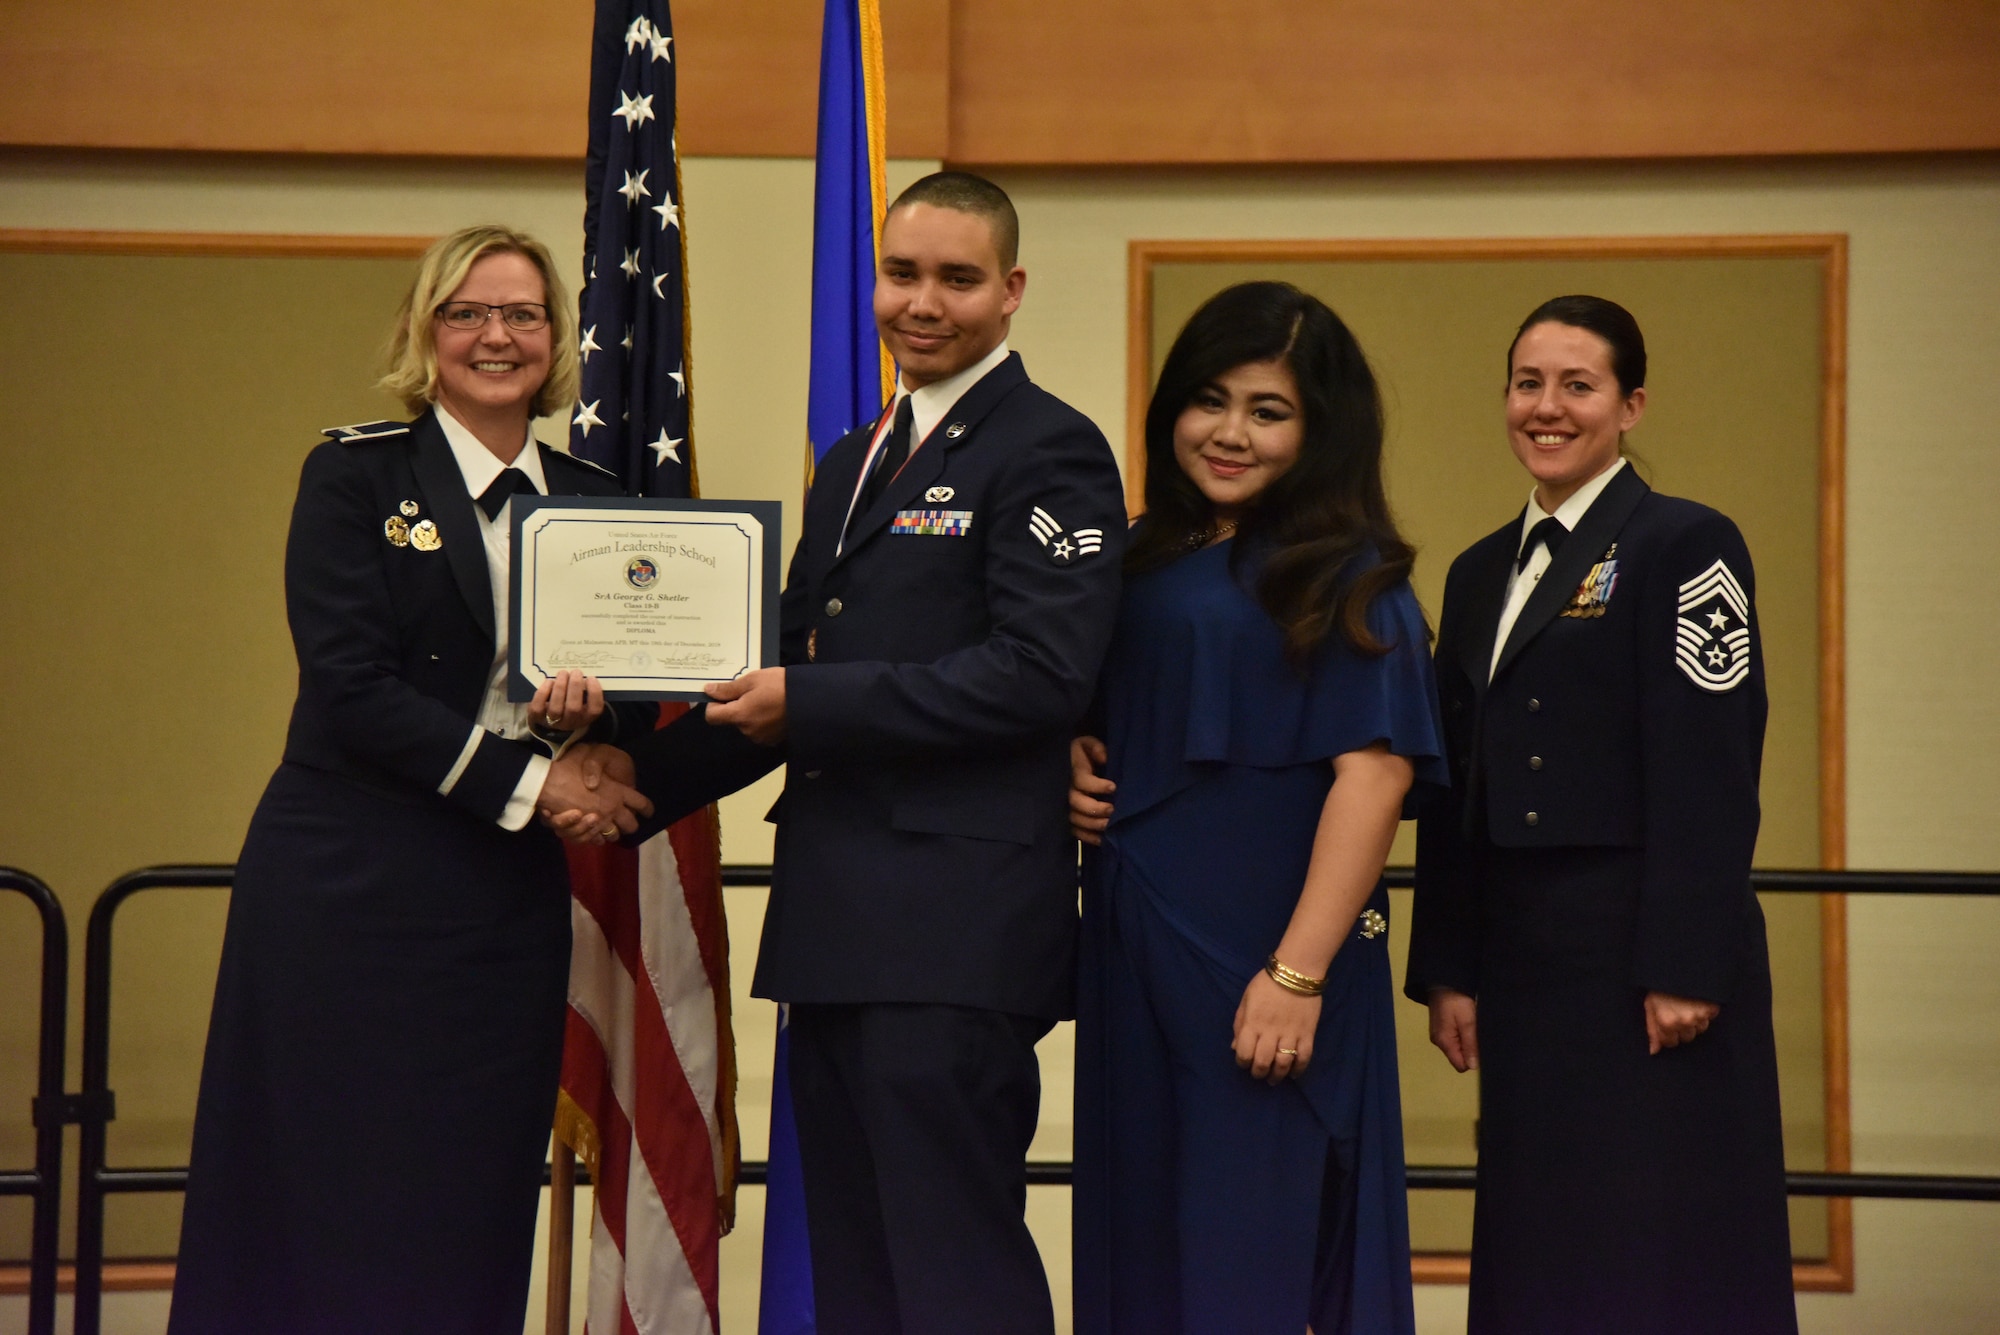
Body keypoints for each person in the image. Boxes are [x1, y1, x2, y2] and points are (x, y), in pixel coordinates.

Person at [556, 172, 1127, 1334]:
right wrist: (633, 780)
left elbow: (1036, 676)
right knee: (859, 1266)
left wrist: (804, 703)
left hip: (953, 933)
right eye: (902, 274)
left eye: (957, 279)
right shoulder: (855, 456)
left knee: (951, 1261)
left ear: (1010, 291)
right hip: (839, 928)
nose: (923, 303)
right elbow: (768, 665)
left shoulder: (1048, 448)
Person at [169, 224, 655, 1335]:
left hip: (495, 904)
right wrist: (538, 790)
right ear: (424, 333)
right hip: (349, 885)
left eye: (523, 315)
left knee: (468, 1190)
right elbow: (349, 687)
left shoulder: (594, 495)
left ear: (556, 338)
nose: (497, 336)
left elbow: (626, 683)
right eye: (467, 313)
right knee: (318, 1183)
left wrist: (590, 722)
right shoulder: (351, 475)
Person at [1406, 295, 1798, 1334]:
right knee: (1540, 1234)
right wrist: (1448, 964)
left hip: (1642, 962)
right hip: (1524, 964)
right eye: (1527, 384)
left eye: (1575, 386)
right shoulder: (1478, 567)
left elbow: (1711, 767)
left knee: (1662, 1237)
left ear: (1627, 406)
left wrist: (1681, 961)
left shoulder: (1684, 543)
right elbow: (1456, 781)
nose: (1546, 407)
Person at [1063, 281, 1444, 1334]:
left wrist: (1295, 973)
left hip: (1267, 968)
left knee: (1251, 1253)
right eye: (1207, 400)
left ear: (1318, 431)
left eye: (1267, 411)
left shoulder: (1353, 577)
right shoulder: (1137, 557)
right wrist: (1069, 758)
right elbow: (1086, 707)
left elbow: (1375, 779)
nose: (1228, 433)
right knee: (1138, 1243)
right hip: (1133, 953)